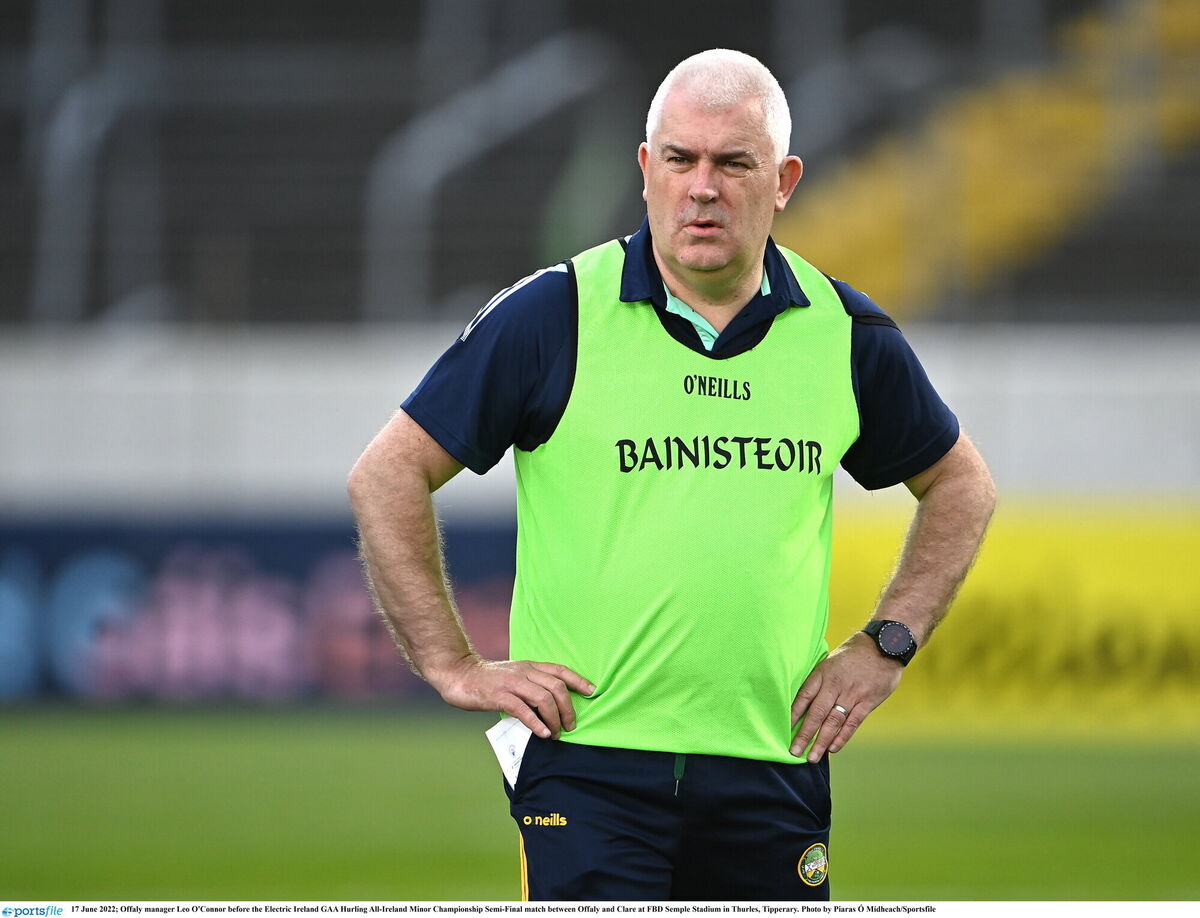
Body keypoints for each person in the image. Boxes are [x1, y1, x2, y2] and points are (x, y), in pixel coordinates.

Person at [348, 48, 996, 901]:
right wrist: (453, 666)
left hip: (774, 765)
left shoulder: (845, 331)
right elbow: (387, 472)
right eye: (682, 159)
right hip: (587, 768)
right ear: (647, 169)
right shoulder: (554, 314)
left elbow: (962, 485)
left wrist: (887, 644)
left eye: (735, 163)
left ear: (784, 180)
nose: (703, 187)